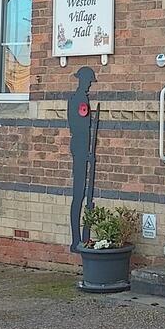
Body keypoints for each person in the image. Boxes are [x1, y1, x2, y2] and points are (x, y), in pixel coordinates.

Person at [67, 65, 96, 251]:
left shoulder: (80, 98)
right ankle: (77, 239)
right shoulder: (79, 100)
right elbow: (78, 129)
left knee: (83, 193)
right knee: (78, 194)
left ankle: (81, 237)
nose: (90, 86)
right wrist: (86, 153)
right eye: (88, 82)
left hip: (82, 149)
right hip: (80, 149)